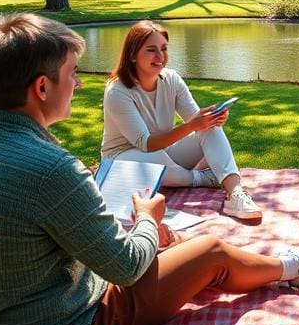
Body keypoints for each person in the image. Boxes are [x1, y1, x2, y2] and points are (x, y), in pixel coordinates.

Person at [0, 13, 299, 325]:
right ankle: (295, 268)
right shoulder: (52, 169)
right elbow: (126, 267)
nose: (77, 83)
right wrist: (147, 218)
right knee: (209, 250)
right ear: (42, 87)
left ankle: (231, 260)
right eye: (72, 73)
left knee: (175, 245)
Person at [102, 20, 262, 221]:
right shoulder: (118, 91)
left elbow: (194, 120)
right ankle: (203, 178)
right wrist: (193, 125)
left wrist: (211, 119)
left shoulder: (171, 79)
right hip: (123, 160)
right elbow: (145, 143)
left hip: (163, 152)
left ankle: (235, 194)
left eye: (164, 48)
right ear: (133, 55)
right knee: (154, 160)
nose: (160, 56)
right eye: (151, 50)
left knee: (209, 128)